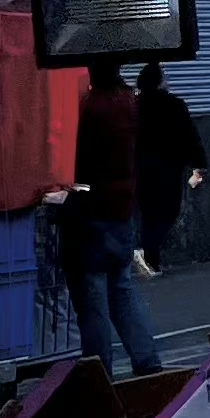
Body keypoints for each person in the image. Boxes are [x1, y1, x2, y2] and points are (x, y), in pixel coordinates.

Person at [66, 57, 163, 377]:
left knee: (93, 301)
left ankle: (98, 373)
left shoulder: (92, 108)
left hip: (93, 212)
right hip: (122, 210)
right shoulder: (129, 104)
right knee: (121, 289)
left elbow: (76, 156)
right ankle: (147, 359)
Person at [133, 59, 207, 276]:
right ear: (159, 82)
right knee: (168, 212)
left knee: (148, 214)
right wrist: (198, 165)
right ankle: (149, 256)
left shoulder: (135, 105)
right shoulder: (174, 105)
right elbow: (190, 136)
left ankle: (151, 261)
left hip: (141, 168)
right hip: (168, 168)